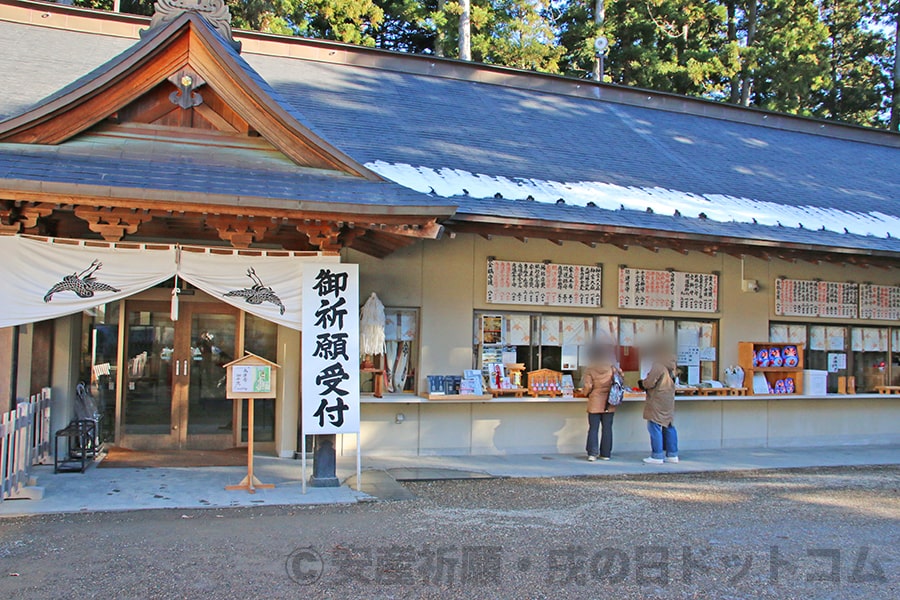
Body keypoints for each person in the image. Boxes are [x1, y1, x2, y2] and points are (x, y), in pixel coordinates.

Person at [582, 345, 622, 461]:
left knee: (593, 428)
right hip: (610, 401)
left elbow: (588, 386)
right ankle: (606, 454)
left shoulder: (590, 369)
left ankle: (592, 453)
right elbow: (620, 380)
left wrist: (585, 393)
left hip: (595, 401)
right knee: (607, 428)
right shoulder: (612, 368)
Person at [640, 345, 679, 464]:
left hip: (657, 399)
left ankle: (657, 455)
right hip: (668, 400)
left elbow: (649, 383)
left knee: (654, 426)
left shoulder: (658, 365)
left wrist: (642, 382)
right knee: (669, 425)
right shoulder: (672, 366)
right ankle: (672, 455)